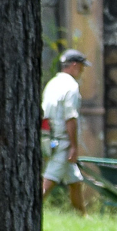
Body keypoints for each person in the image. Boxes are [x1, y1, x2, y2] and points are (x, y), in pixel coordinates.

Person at [41, 49, 89, 215]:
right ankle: (31, 210)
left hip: (49, 137)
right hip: (62, 140)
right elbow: (71, 117)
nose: (82, 71)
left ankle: (82, 216)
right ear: (74, 65)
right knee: (49, 179)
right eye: (82, 67)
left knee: (74, 180)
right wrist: (73, 146)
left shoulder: (52, 83)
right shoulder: (71, 86)